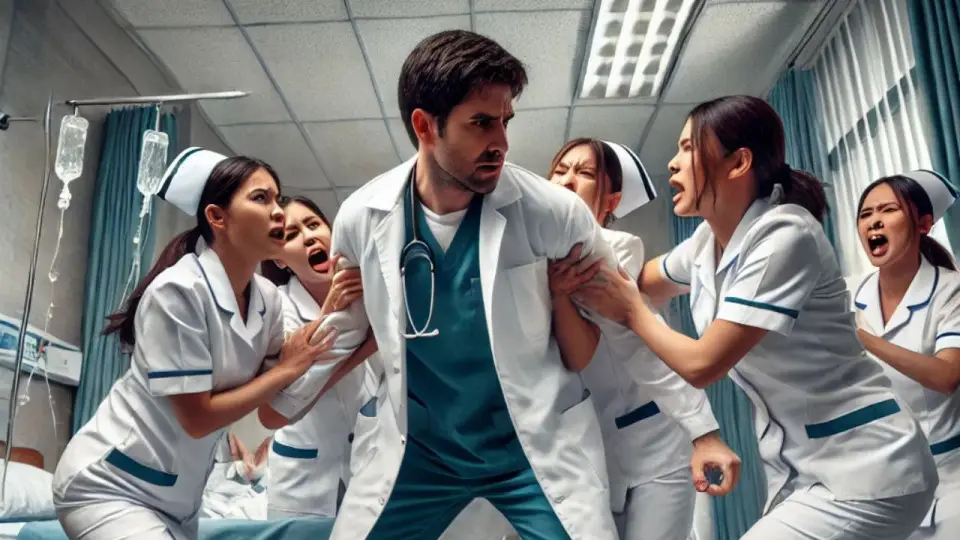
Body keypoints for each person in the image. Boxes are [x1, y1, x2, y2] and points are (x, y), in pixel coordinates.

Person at [256, 29, 690, 540]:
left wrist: (700, 427)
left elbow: (625, 323)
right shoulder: (363, 217)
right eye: (481, 123)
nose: (501, 142)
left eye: (505, 121)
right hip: (419, 453)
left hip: (532, 445)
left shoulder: (552, 212)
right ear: (425, 126)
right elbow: (349, 327)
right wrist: (281, 400)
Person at [567, 95, 939, 540]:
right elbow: (640, 280)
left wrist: (629, 311)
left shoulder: (785, 234)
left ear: (739, 162)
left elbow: (702, 364)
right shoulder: (706, 243)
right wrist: (573, 266)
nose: (672, 162)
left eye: (688, 148)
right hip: (805, 468)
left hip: (871, 466)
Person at [52, 148, 340, 539]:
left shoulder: (268, 300)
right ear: (217, 217)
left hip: (179, 500)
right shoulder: (179, 291)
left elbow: (277, 397)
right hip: (111, 484)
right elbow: (198, 418)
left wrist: (339, 323)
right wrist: (288, 368)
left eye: (277, 198)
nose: (278, 211)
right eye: (261, 198)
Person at [545, 138, 739, 540]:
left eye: (584, 173)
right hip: (588, 453)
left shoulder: (613, 250)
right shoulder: (529, 260)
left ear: (611, 201)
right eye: (559, 171)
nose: (567, 180)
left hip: (655, 445)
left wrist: (703, 431)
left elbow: (639, 347)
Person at [852, 170, 960, 540]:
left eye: (888, 210)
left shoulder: (951, 291)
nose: (874, 221)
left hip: (949, 487)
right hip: (877, 489)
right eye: (866, 214)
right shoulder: (851, 297)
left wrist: (862, 338)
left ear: (924, 224)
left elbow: (946, 376)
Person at [260, 195, 368, 520]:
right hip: (302, 476)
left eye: (313, 224)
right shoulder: (274, 309)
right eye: (292, 235)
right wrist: (332, 315)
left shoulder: (370, 292)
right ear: (279, 259)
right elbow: (280, 405)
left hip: (367, 462)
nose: (309, 237)